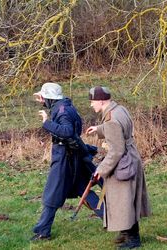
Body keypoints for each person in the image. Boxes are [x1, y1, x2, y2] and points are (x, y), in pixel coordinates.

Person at [30, 82, 103, 241]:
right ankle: (111, 219)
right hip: (72, 156)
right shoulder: (65, 106)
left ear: (50, 99)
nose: (42, 100)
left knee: (52, 195)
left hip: (65, 158)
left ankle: (43, 232)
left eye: (44, 98)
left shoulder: (62, 111)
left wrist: (46, 122)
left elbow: (67, 131)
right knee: (83, 189)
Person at [86, 86, 151, 249]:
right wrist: (99, 129)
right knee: (127, 199)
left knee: (123, 201)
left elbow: (116, 151)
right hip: (131, 158)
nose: (91, 105)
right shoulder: (119, 109)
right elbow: (119, 128)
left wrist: (100, 170)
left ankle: (133, 239)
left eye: (92, 102)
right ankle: (125, 233)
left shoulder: (111, 120)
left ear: (101, 101)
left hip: (123, 164)